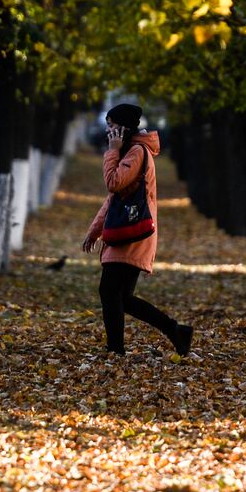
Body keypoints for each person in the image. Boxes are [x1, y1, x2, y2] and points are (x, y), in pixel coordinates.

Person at [82, 103, 194, 357]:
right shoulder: (128, 151)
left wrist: (111, 152)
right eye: (108, 126)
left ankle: (115, 350)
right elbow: (115, 199)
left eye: (112, 126)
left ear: (123, 127)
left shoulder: (135, 152)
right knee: (122, 297)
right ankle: (176, 330)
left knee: (110, 291)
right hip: (127, 230)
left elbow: (113, 184)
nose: (109, 131)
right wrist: (94, 230)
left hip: (132, 232)